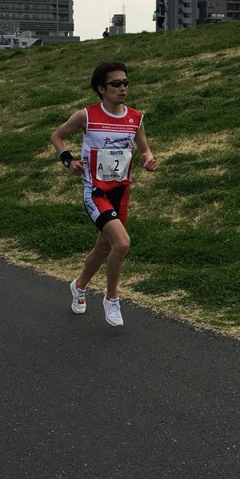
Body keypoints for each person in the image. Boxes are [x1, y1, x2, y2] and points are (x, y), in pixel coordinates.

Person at [50, 62, 158, 327]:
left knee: (104, 248)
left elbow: (144, 149)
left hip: (121, 192)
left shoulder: (135, 118)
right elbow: (57, 137)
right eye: (116, 84)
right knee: (121, 243)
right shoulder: (86, 116)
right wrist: (68, 161)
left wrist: (148, 160)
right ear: (101, 89)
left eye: (125, 83)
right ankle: (112, 299)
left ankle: (79, 286)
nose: (123, 88)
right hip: (96, 192)